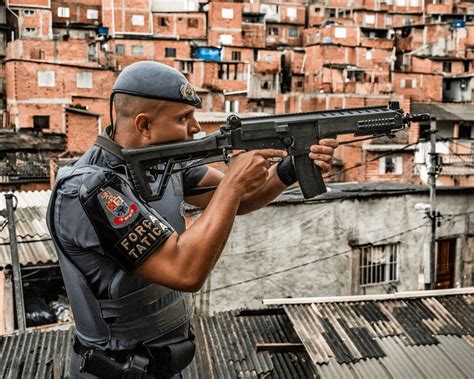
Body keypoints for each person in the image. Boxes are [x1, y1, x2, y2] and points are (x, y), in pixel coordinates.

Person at [47, 61, 339, 378]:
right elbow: (185, 271)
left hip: (163, 362)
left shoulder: (163, 164)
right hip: (115, 370)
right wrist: (232, 182)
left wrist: (291, 169)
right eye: (184, 118)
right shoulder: (90, 192)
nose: (196, 127)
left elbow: (238, 202)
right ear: (144, 125)